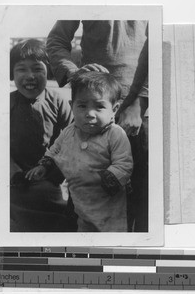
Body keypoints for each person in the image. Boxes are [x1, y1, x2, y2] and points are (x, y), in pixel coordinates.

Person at [46, 20, 149, 231]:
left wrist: (140, 102)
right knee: (84, 198)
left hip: (138, 112)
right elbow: (56, 39)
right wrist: (75, 74)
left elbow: (160, 44)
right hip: (90, 111)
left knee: (141, 203)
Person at [27, 71, 133, 232]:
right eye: (82, 106)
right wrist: (44, 166)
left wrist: (98, 178)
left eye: (99, 107)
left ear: (114, 109)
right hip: (81, 204)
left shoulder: (114, 134)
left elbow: (124, 165)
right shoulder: (70, 131)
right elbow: (55, 150)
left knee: (110, 236)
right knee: (83, 230)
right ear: (72, 106)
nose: (89, 114)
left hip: (108, 206)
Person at [10, 39, 73, 232]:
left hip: (49, 177)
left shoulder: (57, 100)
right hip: (14, 179)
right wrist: (14, 173)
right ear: (12, 73)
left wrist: (52, 172)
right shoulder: (5, 104)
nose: (30, 76)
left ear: (48, 72)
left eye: (38, 69)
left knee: (54, 219)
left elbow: (71, 139)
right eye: (21, 69)